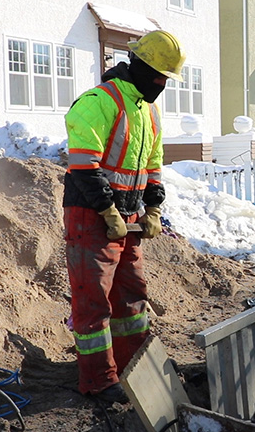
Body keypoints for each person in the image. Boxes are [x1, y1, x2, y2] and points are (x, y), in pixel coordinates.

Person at [63, 30, 185, 403]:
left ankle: (134, 367)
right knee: (93, 303)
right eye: (161, 76)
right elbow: (84, 166)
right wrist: (107, 211)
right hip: (90, 214)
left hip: (127, 217)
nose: (163, 84)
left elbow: (152, 166)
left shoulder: (149, 111)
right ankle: (99, 382)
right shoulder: (100, 101)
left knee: (131, 299)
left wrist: (154, 208)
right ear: (143, 68)